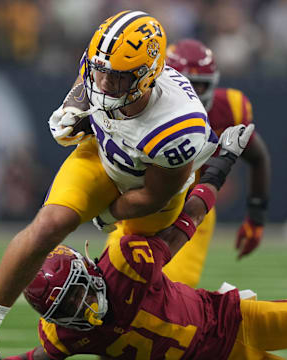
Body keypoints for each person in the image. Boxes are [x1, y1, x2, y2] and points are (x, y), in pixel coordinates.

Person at [0, 11, 221, 360]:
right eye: (101, 73)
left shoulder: (178, 126)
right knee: (48, 226)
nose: (105, 85)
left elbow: (153, 195)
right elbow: (89, 81)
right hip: (101, 156)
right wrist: (74, 109)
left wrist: (106, 216)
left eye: (118, 80)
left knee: (137, 280)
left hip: (149, 193)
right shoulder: (105, 67)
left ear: (147, 77)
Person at [0, 135, 287, 360]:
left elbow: (186, 223)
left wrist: (221, 165)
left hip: (232, 320)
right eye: (65, 307)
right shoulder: (64, 334)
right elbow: (41, 356)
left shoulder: (126, 264)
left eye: (76, 292)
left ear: (86, 271)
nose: (80, 305)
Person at [106, 38, 271, 287]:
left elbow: (258, 156)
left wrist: (256, 218)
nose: (191, 91)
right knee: (116, 280)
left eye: (199, 85)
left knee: (173, 286)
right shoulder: (139, 105)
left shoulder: (229, 109)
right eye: (185, 82)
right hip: (145, 201)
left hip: (195, 204)